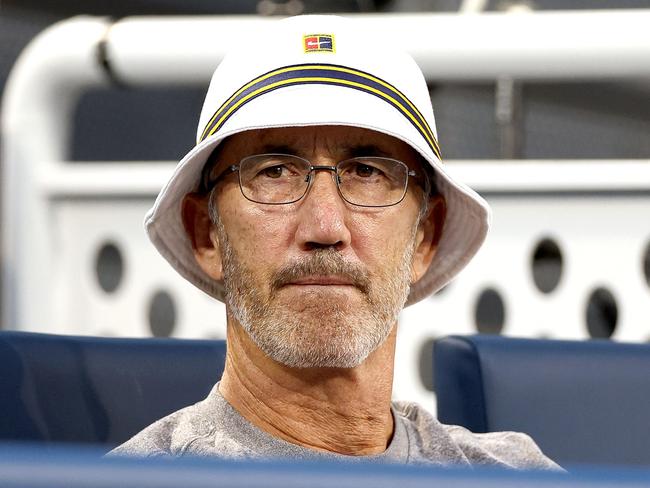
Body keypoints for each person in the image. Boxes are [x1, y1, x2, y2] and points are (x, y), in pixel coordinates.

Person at [109, 14, 560, 470]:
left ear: (425, 238)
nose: (325, 228)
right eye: (274, 172)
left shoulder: (516, 473)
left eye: (367, 172)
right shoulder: (128, 480)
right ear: (206, 235)